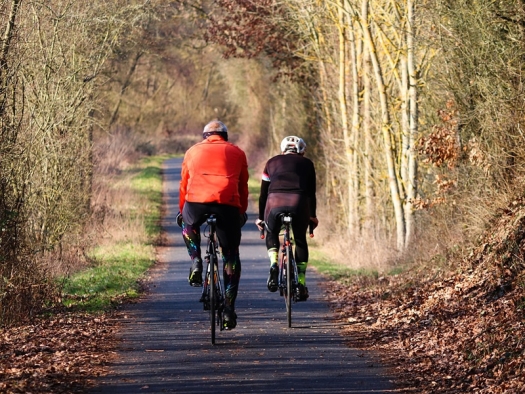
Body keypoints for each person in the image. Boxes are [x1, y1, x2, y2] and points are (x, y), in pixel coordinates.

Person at [177, 120, 249, 330]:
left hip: (196, 202)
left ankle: (196, 261)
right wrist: (241, 211)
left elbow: (184, 184)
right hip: (227, 205)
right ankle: (228, 309)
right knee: (230, 255)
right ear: (224, 136)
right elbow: (242, 186)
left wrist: (183, 211)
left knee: (188, 224)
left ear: (205, 136)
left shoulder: (192, 151)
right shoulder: (238, 152)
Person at [255, 136, 318, 301]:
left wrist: (261, 218)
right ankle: (302, 283)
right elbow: (311, 193)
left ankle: (274, 263)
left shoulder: (271, 162)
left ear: (283, 149)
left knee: (272, 232)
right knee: (300, 240)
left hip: (274, 202)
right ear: (301, 151)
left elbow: (263, 195)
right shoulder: (308, 164)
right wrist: (312, 216)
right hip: (299, 202)